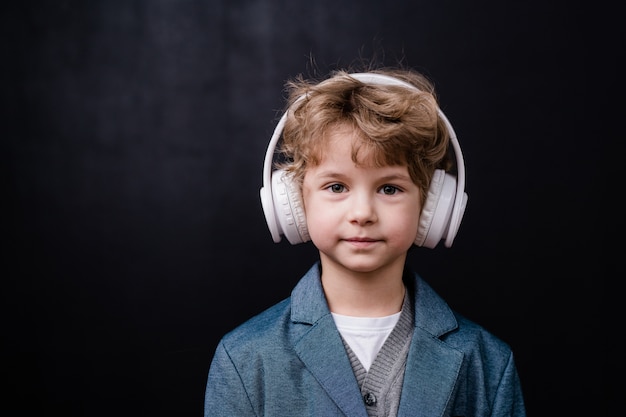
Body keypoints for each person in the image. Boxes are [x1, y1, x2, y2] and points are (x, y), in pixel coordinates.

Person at [204, 65, 526, 417]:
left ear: (431, 207)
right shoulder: (245, 358)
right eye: (336, 187)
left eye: (389, 188)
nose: (362, 213)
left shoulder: (487, 362)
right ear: (295, 202)